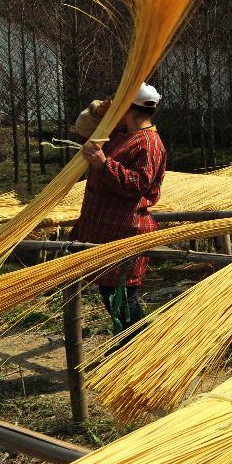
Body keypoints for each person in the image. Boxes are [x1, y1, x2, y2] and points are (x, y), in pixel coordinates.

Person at [70, 83, 167, 334]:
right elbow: (83, 134)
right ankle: (129, 345)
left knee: (122, 297)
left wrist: (105, 165)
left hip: (124, 231)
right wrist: (97, 112)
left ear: (128, 108)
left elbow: (139, 184)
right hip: (104, 228)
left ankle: (134, 347)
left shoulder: (149, 143)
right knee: (112, 295)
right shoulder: (120, 134)